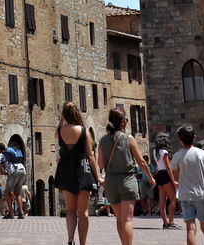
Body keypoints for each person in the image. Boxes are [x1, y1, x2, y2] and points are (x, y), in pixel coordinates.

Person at [96, 109, 154, 245]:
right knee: (127, 219)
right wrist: (150, 177)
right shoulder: (128, 138)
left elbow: (100, 164)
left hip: (110, 182)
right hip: (127, 180)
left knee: (119, 219)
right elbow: (142, 162)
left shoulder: (103, 141)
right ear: (123, 122)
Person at [54, 101, 101, 245]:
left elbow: (56, 133)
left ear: (64, 114)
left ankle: (70, 238)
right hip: (82, 170)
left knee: (70, 210)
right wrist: (98, 175)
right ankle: (83, 243)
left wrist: (62, 118)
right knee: (83, 212)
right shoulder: (83, 130)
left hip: (66, 171)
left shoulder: (60, 131)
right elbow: (90, 155)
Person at [167, 124, 204, 245]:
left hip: (185, 195)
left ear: (179, 140)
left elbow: (176, 177)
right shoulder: (201, 153)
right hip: (201, 195)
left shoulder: (177, 156)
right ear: (195, 137)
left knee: (190, 228)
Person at [0, 142, 27, 219]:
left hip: (14, 171)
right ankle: (21, 213)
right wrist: (5, 172)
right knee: (17, 193)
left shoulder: (0, 156)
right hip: (22, 170)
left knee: (8, 192)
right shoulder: (10, 153)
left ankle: (11, 213)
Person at [152, 132, 177, 230]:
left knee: (162, 200)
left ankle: (165, 222)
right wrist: (173, 180)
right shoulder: (164, 152)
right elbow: (168, 167)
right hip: (166, 175)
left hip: (159, 175)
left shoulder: (155, 151)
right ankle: (171, 221)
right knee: (173, 198)